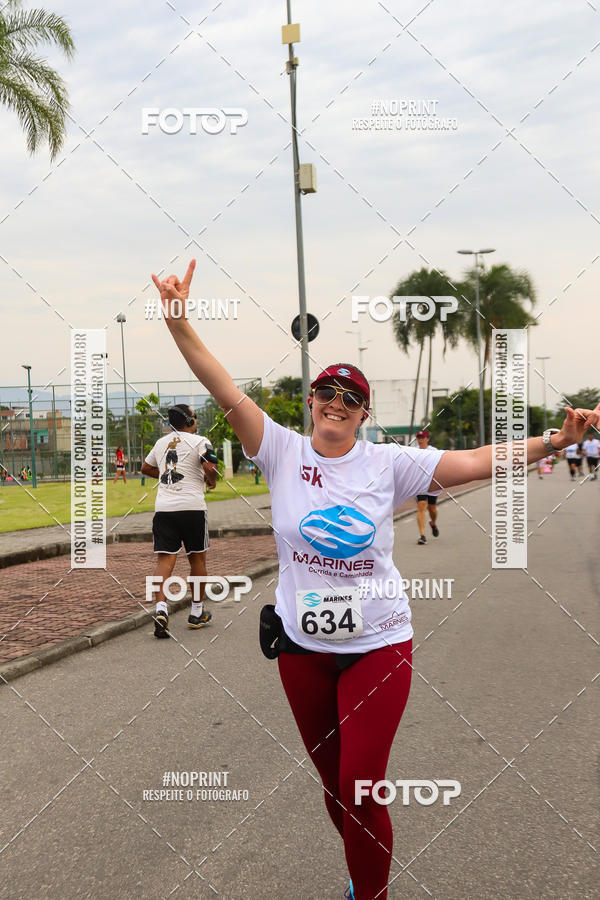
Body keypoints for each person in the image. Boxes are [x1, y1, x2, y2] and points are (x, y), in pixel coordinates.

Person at [151, 259, 600, 900]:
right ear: (310, 403)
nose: (337, 404)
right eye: (327, 393)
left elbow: (476, 460)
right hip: (303, 650)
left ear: (363, 415)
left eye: (351, 399)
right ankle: (364, 874)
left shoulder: (390, 463)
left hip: (378, 644)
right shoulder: (280, 449)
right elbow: (221, 386)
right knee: (337, 791)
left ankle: (372, 894)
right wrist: (177, 320)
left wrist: (554, 442)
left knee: (363, 781)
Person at [141, 403, 219, 637]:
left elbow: (145, 467)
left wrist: (166, 478)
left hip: (164, 509)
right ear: (189, 421)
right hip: (193, 508)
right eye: (195, 417)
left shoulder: (160, 442)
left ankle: (162, 609)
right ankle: (196, 612)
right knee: (198, 561)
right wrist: (211, 480)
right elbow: (210, 465)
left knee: (164, 563)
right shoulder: (201, 441)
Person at [413, 429, 440, 545]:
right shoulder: (413, 451)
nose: (420, 440)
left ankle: (433, 523)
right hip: (419, 484)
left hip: (432, 483)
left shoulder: (434, 451)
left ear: (427, 439)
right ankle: (422, 535)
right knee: (421, 506)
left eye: (422, 438)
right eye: (418, 438)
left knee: (432, 509)